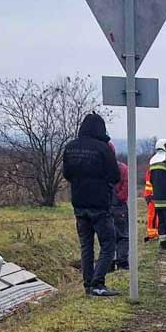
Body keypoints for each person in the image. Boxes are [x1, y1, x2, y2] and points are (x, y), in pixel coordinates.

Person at [62, 113, 121, 297]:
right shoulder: (103, 148)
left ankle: (88, 284)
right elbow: (115, 176)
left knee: (86, 246)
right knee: (108, 244)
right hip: (100, 204)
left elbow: (67, 174)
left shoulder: (70, 147)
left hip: (79, 204)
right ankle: (98, 283)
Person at [109, 141, 130, 271]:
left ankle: (109, 263)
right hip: (119, 207)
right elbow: (126, 187)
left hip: (104, 207)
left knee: (107, 236)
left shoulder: (98, 169)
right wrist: (119, 198)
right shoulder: (123, 168)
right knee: (122, 235)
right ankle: (122, 262)